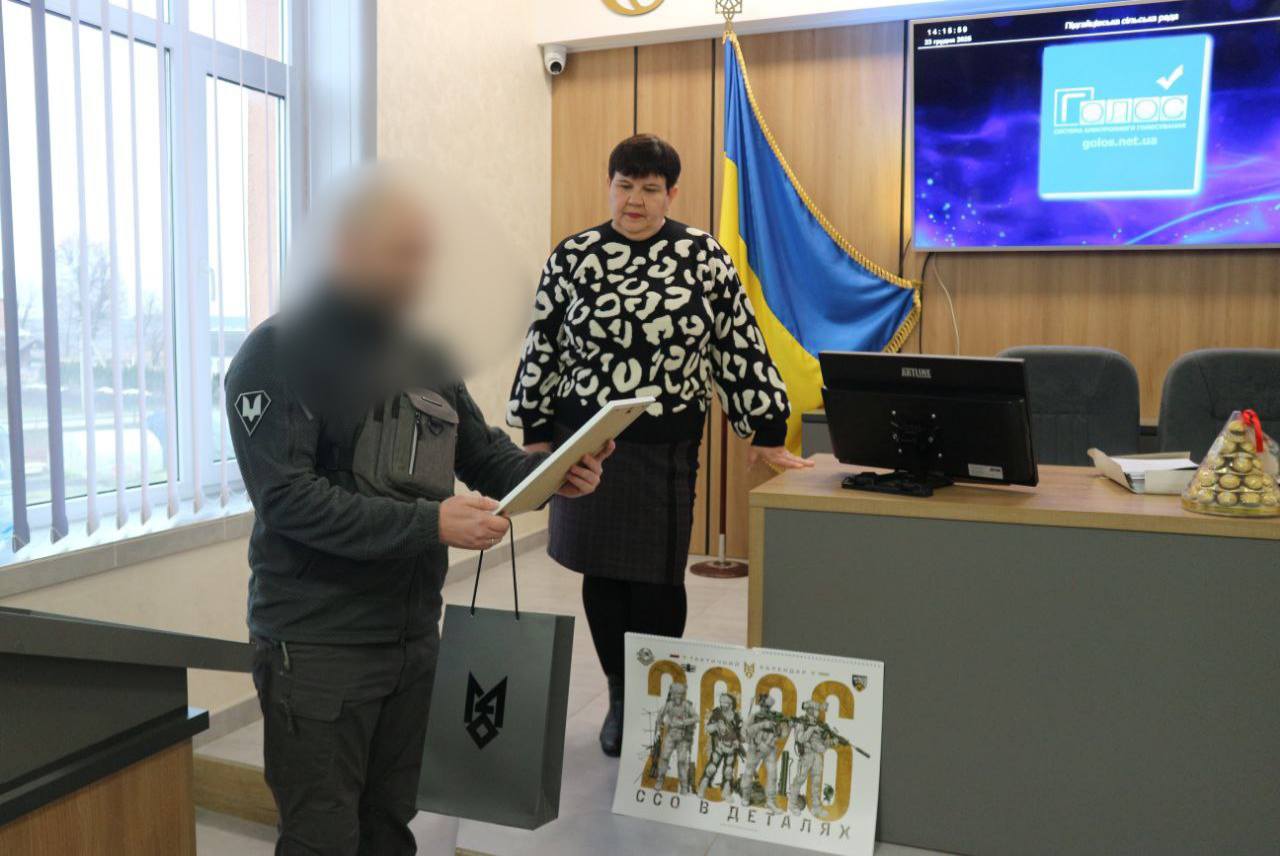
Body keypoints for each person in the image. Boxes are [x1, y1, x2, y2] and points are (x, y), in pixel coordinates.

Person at [226, 167, 610, 856]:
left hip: (410, 639)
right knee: (321, 837)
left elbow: (485, 455)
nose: (416, 272)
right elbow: (288, 501)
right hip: (318, 646)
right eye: (399, 252)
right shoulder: (276, 354)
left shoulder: (422, 354)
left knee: (389, 825)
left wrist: (557, 472)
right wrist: (431, 523)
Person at [507, 133, 812, 758]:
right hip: (586, 446)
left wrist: (766, 429)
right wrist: (535, 435)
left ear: (672, 193)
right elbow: (543, 346)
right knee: (602, 575)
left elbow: (737, 343)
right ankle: (622, 696)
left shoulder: (703, 257)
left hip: (665, 445)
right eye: (625, 186)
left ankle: (660, 694)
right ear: (609, 185)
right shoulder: (574, 257)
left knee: (657, 579)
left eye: (650, 189)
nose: (635, 201)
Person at [652, 682, 698, 792]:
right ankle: (659, 780)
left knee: (682, 761)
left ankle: (684, 786)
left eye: (681, 694)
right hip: (671, 735)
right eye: (676, 693)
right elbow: (659, 716)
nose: (678, 696)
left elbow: (697, 717)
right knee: (664, 757)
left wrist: (684, 722)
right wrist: (658, 731)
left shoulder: (686, 706)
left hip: (683, 737)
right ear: (673, 694)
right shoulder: (669, 705)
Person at [698, 691, 744, 798]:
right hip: (719, 745)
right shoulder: (717, 713)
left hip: (731, 747)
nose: (722, 705)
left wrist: (738, 740)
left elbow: (739, 733)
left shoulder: (736, 717)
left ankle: (726, 792)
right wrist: (716, 726)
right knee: (711, 768)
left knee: (728, 771)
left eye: (725, 703)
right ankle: (702, 788)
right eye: (721, 702)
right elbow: (708, 728)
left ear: (730, 704)